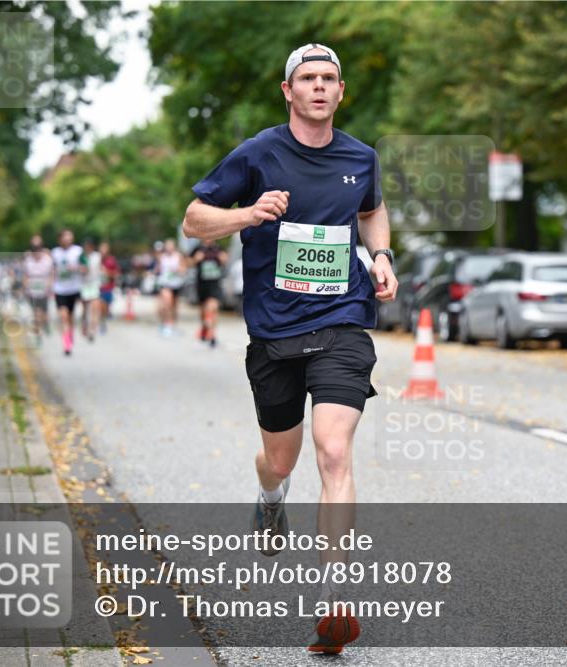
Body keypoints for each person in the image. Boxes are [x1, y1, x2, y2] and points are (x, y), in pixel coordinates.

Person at [182, 43, 397, 654]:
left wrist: (380, 256)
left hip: (342, 321)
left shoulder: (361, 156)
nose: (320, 87)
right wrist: (247, 214)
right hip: (275, 334)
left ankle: (335, 598)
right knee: (281, 460)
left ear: (341, 90)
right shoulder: (258, 152)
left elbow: (372, 211)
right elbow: (195, 218)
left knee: (334, 452)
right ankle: (271, 496)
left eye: (330, 78)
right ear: (289, 91)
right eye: (308, 78)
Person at [51, 230, 85, 356]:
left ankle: (70, 334)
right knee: (63, 316)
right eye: (65, 237)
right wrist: (50, 285)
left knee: (70, 316)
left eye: (70, 237)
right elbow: (52, 269)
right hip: (59, 289)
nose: (67, 239)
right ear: (60, 239)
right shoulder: (55, 253)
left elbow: (85, 267)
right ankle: (66, 345)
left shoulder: (78, 251)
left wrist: (76, 268)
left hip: (74, 288)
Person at [190, 238, 228, 347]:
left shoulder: (218, 249)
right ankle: (204, 327)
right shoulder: (197, 249)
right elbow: (187, 263)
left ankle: (212, 335)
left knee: (213, 308)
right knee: (203, 311)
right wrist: (195, 259)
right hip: (202, 285)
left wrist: (223, 258)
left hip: (215, 284)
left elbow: (226, 260)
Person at [23, 235, 53, 342]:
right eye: (34, 248)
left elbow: (52, 274)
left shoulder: (47, 259)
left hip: (44, 289)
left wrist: (49, 285)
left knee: (43, 313)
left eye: (38, 247)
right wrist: (25, 287)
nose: (36, 250)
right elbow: (25, 275)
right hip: (32, 290)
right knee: (36, 313)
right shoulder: (28, 260)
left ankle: (45, 324)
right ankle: (38, 334)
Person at [156, 238, 185, 337]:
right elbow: (158, 270)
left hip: (176, 284)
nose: (169, 247)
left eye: (171, 245)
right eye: (167, 245)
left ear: (174, 247)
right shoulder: (161, 257)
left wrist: (178, 270)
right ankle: (166, 324)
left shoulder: (178, 256)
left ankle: (172, 325)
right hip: (165, 284)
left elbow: (183, 269)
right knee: (166, 304)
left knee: (174, 306)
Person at [79, 238, 102, 342]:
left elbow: (100, 268)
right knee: (85, 308)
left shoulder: (97, 256)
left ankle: (92, 330)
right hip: (84, 285)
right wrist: (83, 268)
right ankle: (84, 325)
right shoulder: (82, 257)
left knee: (95, 307)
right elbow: (81, 270)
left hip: (94, 284)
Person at [98, 241, 119, 332]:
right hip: (97, 287)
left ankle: (103, 319)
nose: (103, 251)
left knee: (105, 307)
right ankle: (98, 323)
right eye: (102, 248)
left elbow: (116, 274)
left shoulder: (111, 260)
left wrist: (106, 272)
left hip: (108, 287)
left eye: (105, 249)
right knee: (99, 305)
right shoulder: (96, 259)